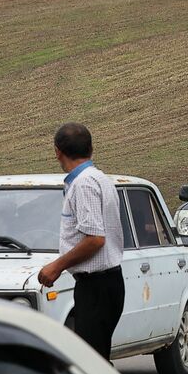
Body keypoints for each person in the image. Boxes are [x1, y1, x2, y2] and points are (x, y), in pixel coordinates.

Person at [36, 123, 124, 359]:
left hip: (96, 286)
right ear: (91, 149)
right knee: (97, 359)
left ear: (57, 152)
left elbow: (95, 239)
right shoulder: (100, 178)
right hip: (105, 283)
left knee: (92, 363)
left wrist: (57, 266)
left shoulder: (84, 184)